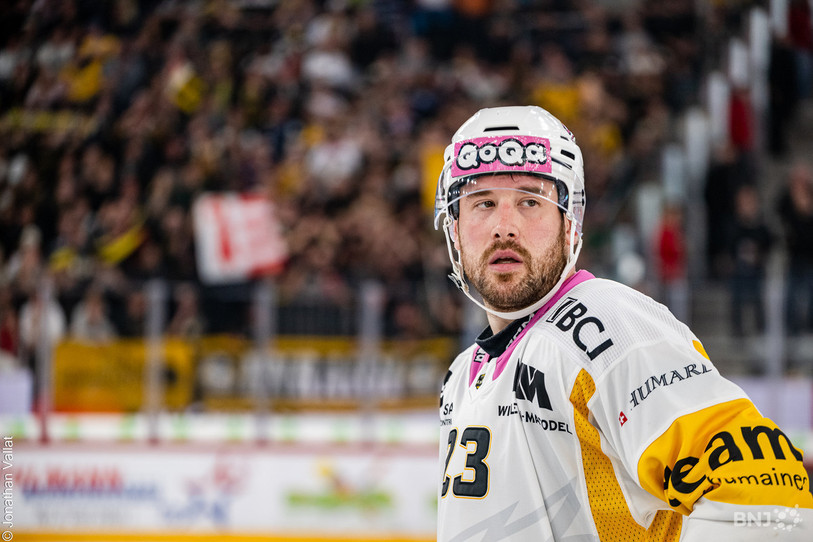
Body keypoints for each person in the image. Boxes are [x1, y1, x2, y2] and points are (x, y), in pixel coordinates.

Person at [432, 105, 812, 541]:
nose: (505, 227)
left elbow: (774, 501)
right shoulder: (462, 374)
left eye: (530, 201)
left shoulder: (607, 326)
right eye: (482, 203)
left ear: (569, 224)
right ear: (454, 228)